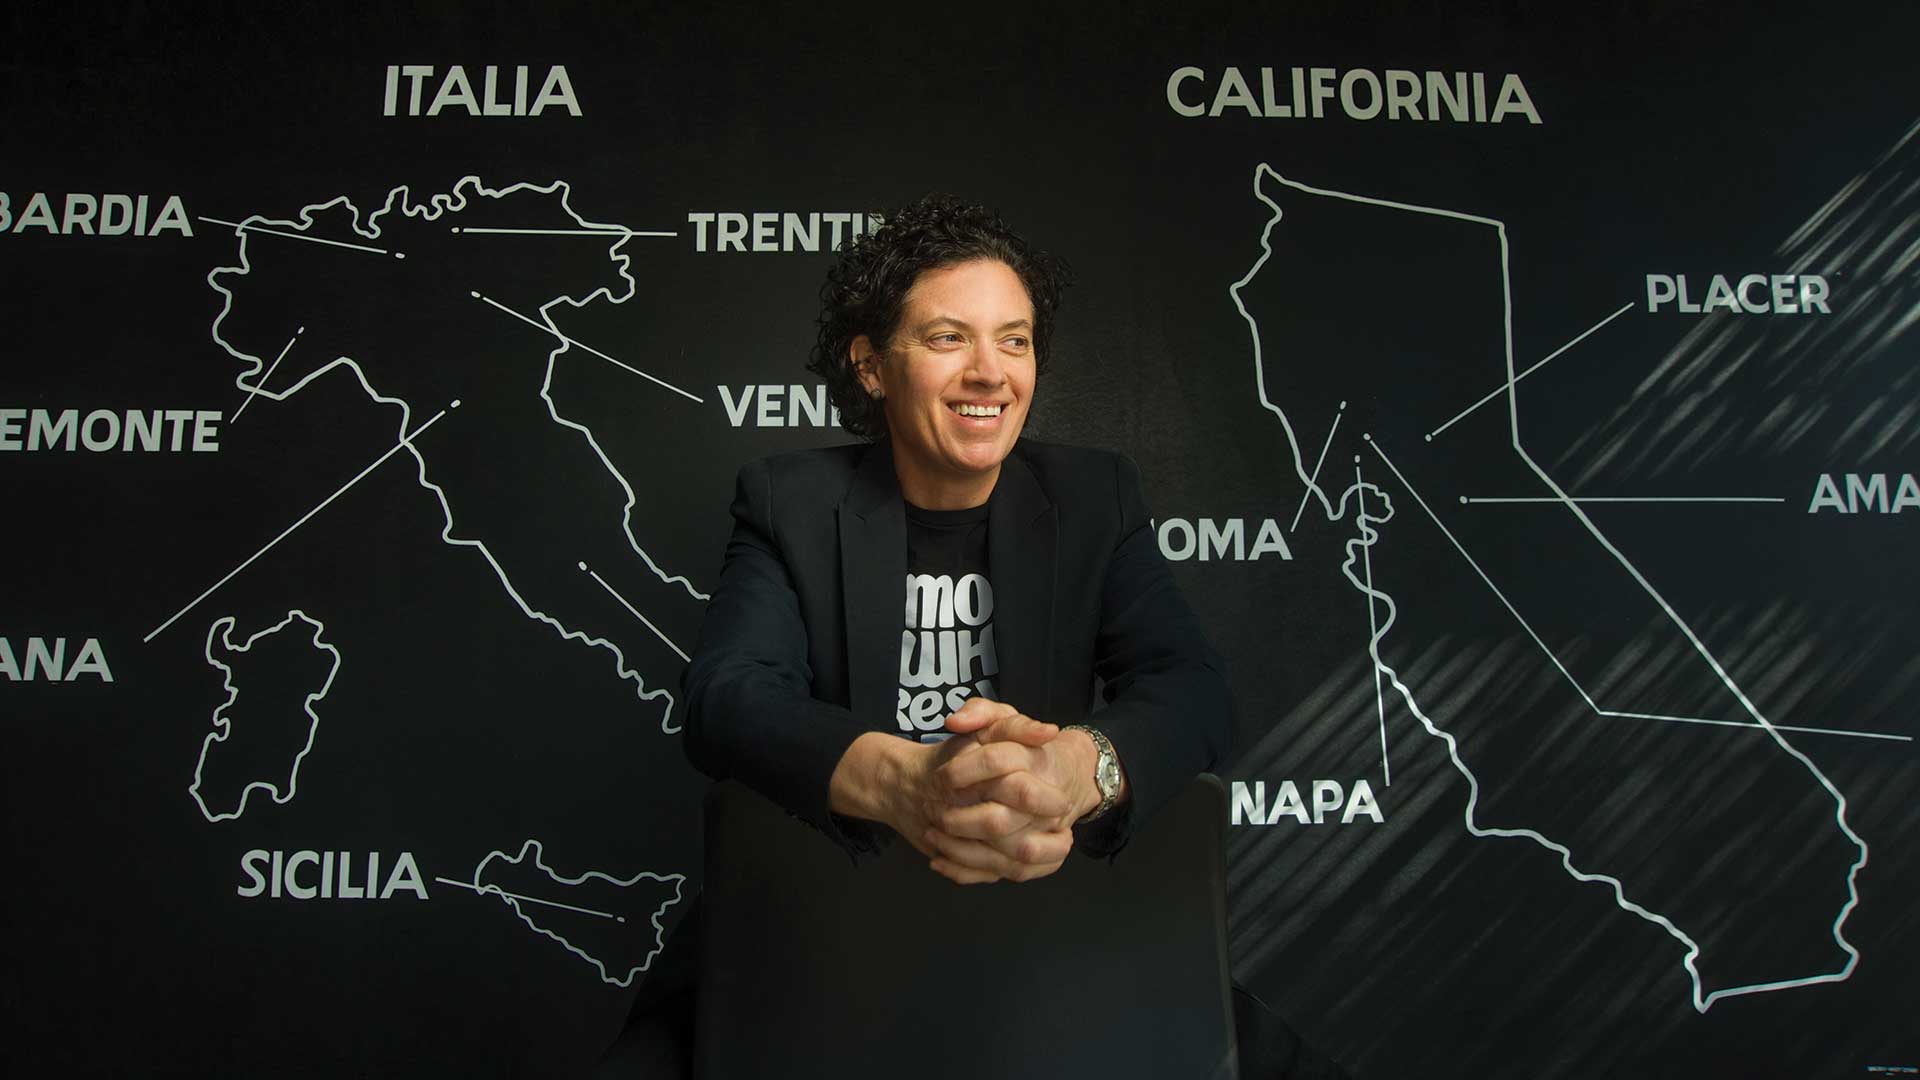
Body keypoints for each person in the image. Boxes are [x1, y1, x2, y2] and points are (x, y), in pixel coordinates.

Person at [599, 194, 1346, 1079]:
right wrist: (903, 784)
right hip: (822, 919)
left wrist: (1077, 770)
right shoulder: (786, 502)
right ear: (872, 366)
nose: (991, 372)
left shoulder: (1095, 499)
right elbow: (727, 698)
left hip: (1049, 917)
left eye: (1014, 340)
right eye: (949, 337)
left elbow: (1194, 688)